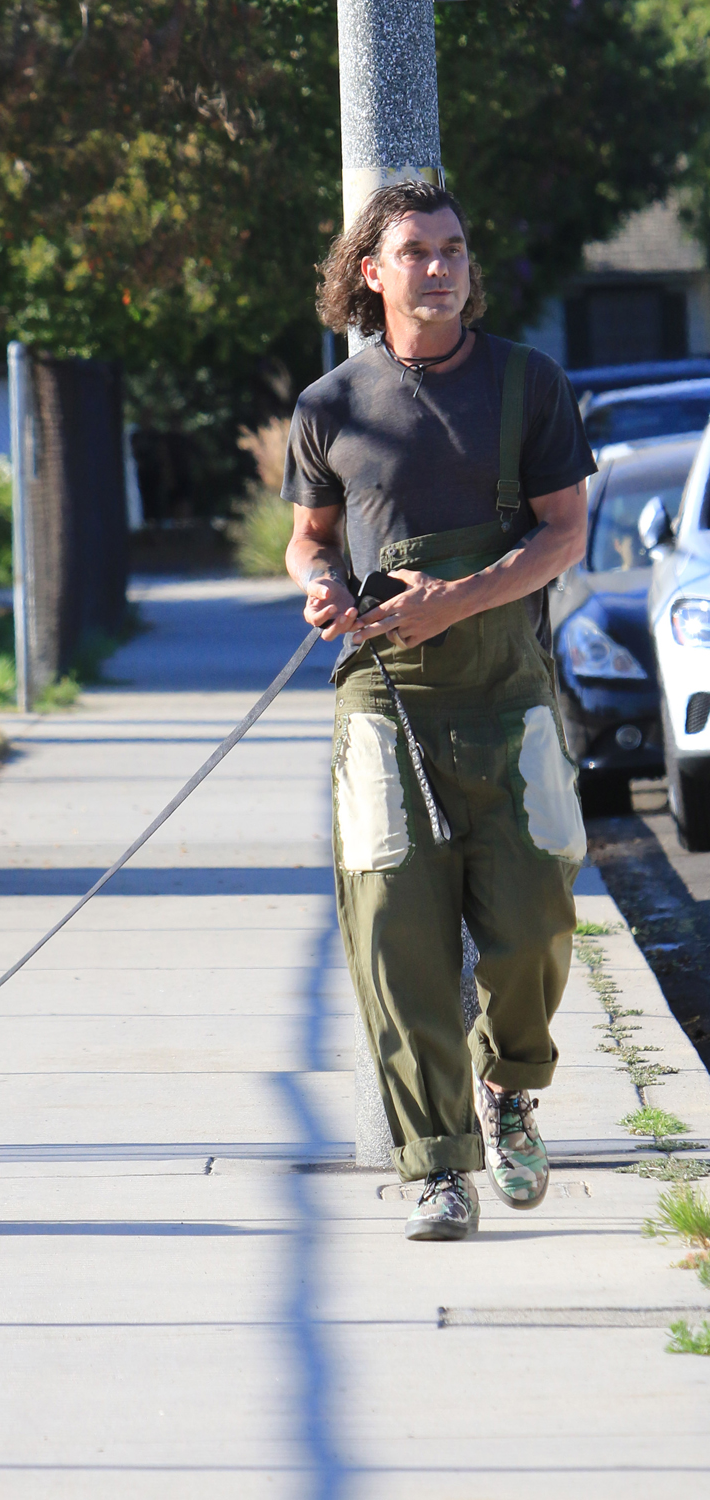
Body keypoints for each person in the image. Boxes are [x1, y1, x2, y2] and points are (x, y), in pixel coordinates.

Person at [283, 180, 596, 1241]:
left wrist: (454, 601)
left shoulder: (526, 385)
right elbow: (309, 536)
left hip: (507, 689)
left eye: (454, 249)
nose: (441, 268)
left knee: (535, 917)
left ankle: (508, 1089)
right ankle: (437, 1167)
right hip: (381, 698)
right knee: (393, 934)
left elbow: (562, 538)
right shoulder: (331, 406)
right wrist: (319, 583)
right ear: (370, 272)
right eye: (416, 251)